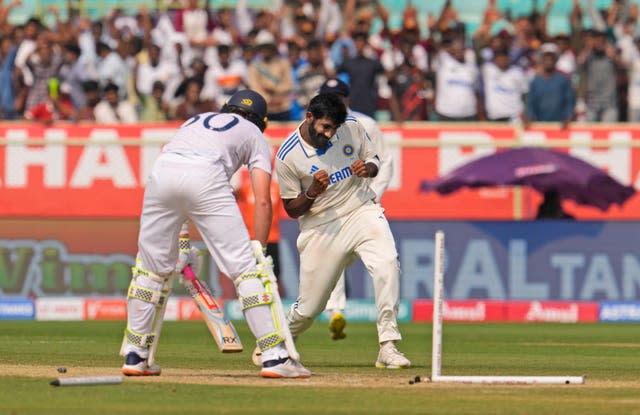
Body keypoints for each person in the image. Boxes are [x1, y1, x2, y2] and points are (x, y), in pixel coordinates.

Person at [119, 89, 310, 379]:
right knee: (247, 271)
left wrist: (181, 241)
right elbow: (262, 200)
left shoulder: (195, 120)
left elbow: (178, 178)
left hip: (161, 174)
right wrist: (258, 249)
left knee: (150, 271)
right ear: (261, 121)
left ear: (225, 108)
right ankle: (274, 356)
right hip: (207, 177)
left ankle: (136, 355)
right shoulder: (254, 133)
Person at [275, 93, 410, 369]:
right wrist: (312, 192)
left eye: (334, 128)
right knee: (310, 308)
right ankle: (279, 341)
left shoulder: (351, 127)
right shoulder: (287, 155)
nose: (330, 134)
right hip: (320, 226)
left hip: (360, 208)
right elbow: (291, 209)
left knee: (386, 263)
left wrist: (367, 168)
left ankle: (388, 345)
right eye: (325, 127)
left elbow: (374, 160)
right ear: (309, 117)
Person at [318, 78, 394, 340]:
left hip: (364, 205)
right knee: (333, 258)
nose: (334, 101)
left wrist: (374, 197)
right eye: (329, 96)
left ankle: (387, 329)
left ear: (347, 99)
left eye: (338, 97)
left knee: (382, 261)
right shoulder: (319, 126)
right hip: (334, 206)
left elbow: (384, 163)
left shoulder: (366, 124)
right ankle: (336, 311)